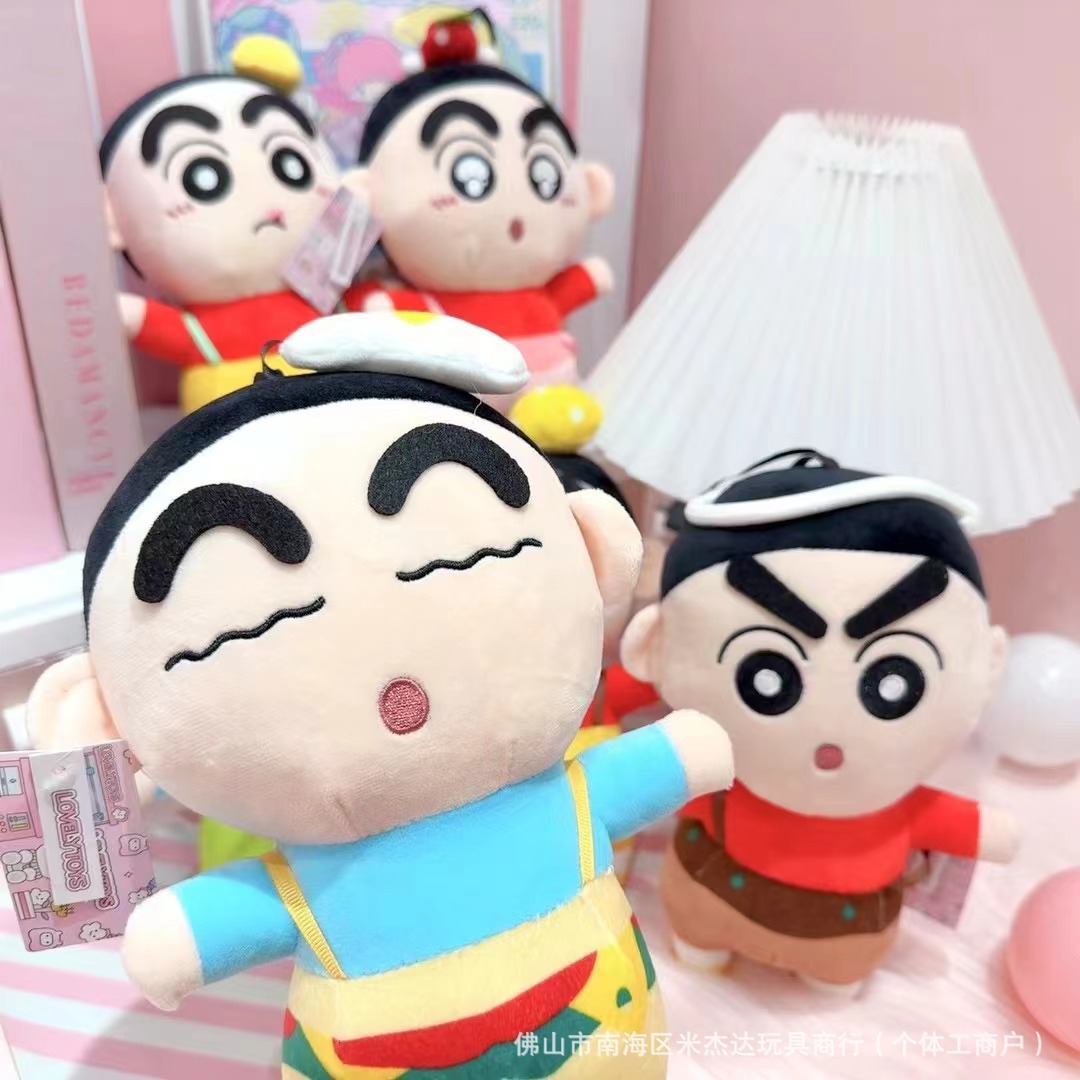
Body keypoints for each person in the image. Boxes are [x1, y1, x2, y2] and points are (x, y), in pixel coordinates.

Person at [29, 311, 734, 1079]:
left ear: (594, 551)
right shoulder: (318, 874)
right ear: (102, 721)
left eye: (458, 560)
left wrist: (682, 750)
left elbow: (656, 763)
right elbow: (232, 918)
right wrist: (182, 933)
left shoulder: (562, 796)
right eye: (256, 625)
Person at [621, 449, 1018, 992]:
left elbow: (973, 829)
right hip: (710, 897)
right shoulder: (711, 775)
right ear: (655, 648)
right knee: (699, 940)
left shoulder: (898, 802)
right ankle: (706, 951)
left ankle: (816, 978)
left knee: (826, 978)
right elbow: (643, 789)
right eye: (767, 674)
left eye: (894, 679)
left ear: (989, 665)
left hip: (833, 932)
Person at [351, 17, 615, 402]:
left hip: (549, 408)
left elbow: (570, 290)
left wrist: (588, 278)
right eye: (469, 176)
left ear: (592, 189)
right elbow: (398, 312)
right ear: (368, 195)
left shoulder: (539, 295)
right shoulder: (433, 309)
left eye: (544, 175)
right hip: (459, 414)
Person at [101, 37, 367, 412]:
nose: (269, 205)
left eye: (291, 164)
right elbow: (149, 324)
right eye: (203, 177)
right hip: (237, 432)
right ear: (111, 218)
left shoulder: (329, 293)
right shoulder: (202, 331)